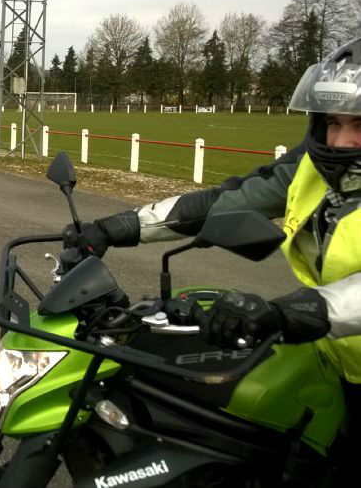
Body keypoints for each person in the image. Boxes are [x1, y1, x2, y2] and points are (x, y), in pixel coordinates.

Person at [68, 37, 361, 467]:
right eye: (332, 123)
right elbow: (224, 203)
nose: (340, 142)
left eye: (359, 125)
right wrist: (119, 227)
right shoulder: (312, 169)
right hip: (326, 356)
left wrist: (294, 311)